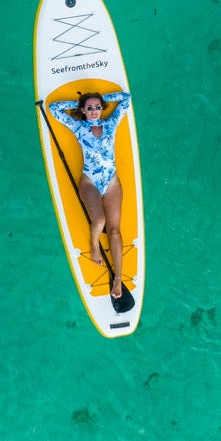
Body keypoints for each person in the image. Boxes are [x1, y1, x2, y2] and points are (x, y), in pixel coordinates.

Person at [48, 89, 132, 298]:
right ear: (83, 111)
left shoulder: (111, 123)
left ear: (102, 108)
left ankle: (118, 279)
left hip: (111, 181)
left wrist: (104, 99)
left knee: (115, 231)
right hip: (90, 181)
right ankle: (94, 243)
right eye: (89, 108)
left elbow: (126, 99)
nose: (94, 111)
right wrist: (79, 102)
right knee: (100, 221)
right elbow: (53, 108)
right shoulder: (78, 127)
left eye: (97, 107)